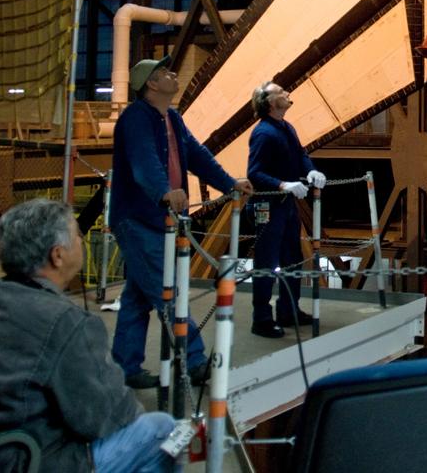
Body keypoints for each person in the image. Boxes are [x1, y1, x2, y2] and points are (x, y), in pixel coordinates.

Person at [0, 199, 175, 472]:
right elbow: (109, 415)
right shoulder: (66, 322)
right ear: (57, 255)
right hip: (13, 460)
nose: (81, 240)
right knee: (161, 431)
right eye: (76, 235)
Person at [110, 55, 252, 388]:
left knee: (137, 296)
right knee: (168, 291)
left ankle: (123, 368)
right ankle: (193, 361)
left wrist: (229, 182)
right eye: (166, 73)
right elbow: (144, 162)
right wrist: (164, 192)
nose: (174, 75)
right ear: (151, 84)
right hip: (139, 220)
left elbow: (197, 155)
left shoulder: (171, 117)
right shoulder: (135, 118)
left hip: (160, 220)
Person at [247, 80, 327, 338]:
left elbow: (300, 153)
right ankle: (261, 319)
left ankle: (288, 310)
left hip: (285, 205)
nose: (287, 93)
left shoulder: (286, 127)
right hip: (269, 206)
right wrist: (283, 185)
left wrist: (311, 170)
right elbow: (254, 173)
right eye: (281, 91)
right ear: (270, 103)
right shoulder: (263, 133)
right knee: (267, 262)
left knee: (292, 259)